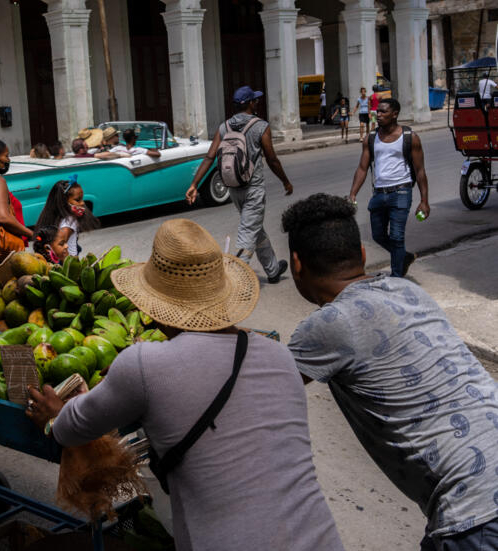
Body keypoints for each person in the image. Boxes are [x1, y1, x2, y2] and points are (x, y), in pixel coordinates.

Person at [25, 218, 344, 551]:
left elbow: (70, 429)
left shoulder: (144, 364)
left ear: (156, 307)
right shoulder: (280, 356)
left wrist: (54, 416)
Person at [282, 193, 498, 549]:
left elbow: (259, 388)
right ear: (363, 255)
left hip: (473, 514)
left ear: (296, 264)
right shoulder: (407, 290)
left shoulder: (328, 325)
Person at [185, 85, 294, 284]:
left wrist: (194, 183)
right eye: (255, 100)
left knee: (254, 228)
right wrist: (285, 182)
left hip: (233, 188)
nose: (257, 102)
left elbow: (210, 157)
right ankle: (234, 282)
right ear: (251, 103)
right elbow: (272, 159)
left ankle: (272, 270)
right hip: (253, 189)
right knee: (248, 233)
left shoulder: (224, 127)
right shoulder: (261, 126)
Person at [347, 98, 429, 278]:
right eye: (378, 111)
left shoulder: (410, 137)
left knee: (397, 236)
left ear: (395, 114)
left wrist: (424, 201)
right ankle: (404, 257)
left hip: (401, 191)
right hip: (379, 193)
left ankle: (397, 276)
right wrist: (353, 193)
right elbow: (362, 168)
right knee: (377, 235)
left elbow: (420, 171)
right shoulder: (371, 138)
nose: (379, 115)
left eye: (384, 112)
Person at [35, 176, 99, 258]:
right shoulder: (69, 222)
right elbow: (60, 247)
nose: (82, 203)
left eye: (82, 199)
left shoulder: (58, 218)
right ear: (64, 202)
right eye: (77, 200)